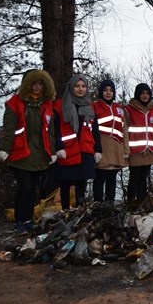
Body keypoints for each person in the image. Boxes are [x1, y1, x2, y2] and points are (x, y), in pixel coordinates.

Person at [0, 70, 56, 234]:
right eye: (34, 83)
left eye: (40, 84)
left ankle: (28, 220)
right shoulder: (15, 103)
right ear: (27, 84)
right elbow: (9, 129)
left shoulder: (46, 104)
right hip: (20, 154)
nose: (37, 87)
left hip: (39, 154)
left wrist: (51, 151)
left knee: (33, 189)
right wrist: (5, 149)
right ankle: (19, 221)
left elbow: (50, 131)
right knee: (24, 187)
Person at [53, 75, 102, 209]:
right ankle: (65, 209)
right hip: (67, 150)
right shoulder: (59, 105)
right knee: (66, 181)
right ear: (71, 87)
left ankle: (79, 208)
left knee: (82, 180)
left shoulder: (89, 106)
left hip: (85, 149)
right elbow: (55, 129)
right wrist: (59, 147)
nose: (80, 89)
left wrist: (98, 149)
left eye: (83, 86)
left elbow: (95, 129)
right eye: (77, 86)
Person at [92, 79, 128, 205]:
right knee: (100, 176)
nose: (108, 93)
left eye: (111, 90)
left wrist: (125, 149)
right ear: (101, 92)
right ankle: (97, 202)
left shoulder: (119, 108)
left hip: (116, 146)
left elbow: (124, 128)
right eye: (105, 90)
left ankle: (110, 202)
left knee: (112, 177)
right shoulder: (94, 106)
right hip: (102, 145)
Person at [124, 83, 153, 200]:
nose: (145, 96)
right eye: (142, 93)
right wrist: (126, 149)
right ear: (137, 94)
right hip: (135, 150)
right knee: (135, 177)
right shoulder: (129, 109)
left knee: (144, 177)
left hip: (149, 150)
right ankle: (130, 201)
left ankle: (141, 201)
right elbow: (124, 130)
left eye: (147, 93)